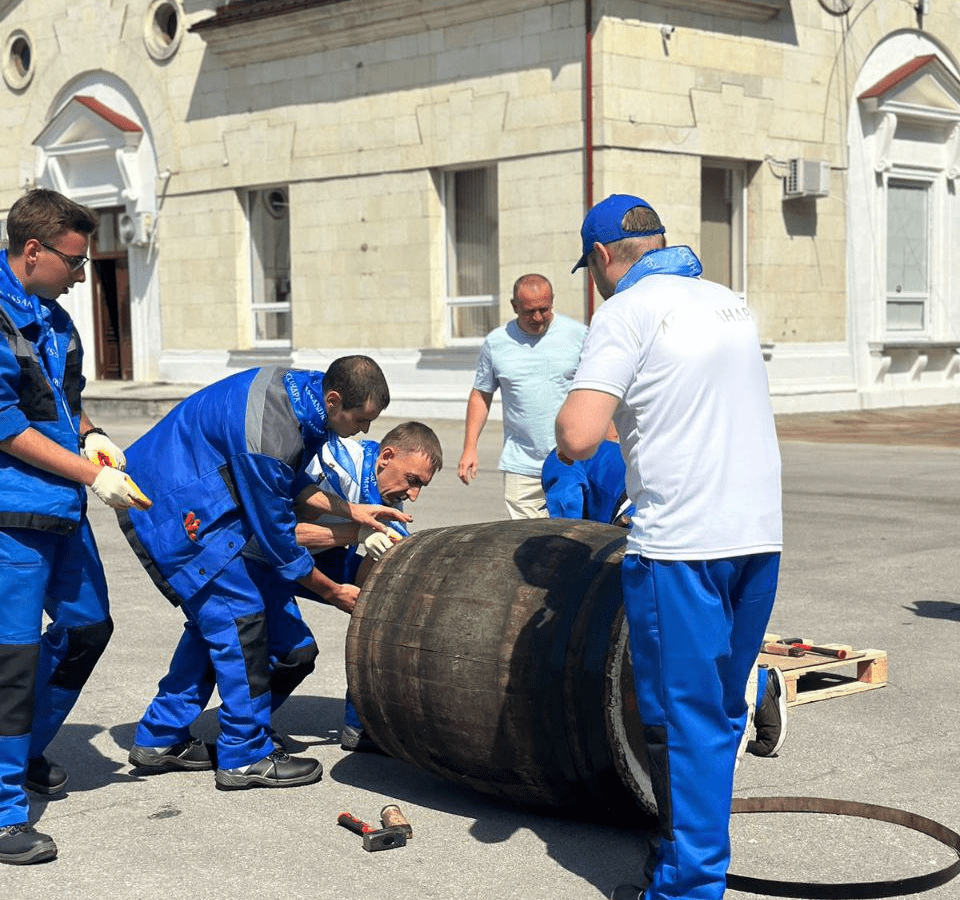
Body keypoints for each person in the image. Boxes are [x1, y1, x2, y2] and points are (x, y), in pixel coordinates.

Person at [555, 194, 782, 900]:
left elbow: (576, 436)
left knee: (681, 720)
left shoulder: (624, 309)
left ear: (601, 259)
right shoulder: (726, 301)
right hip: (758, 537)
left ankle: (686, 887)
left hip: (683, 545)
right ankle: (680, 848)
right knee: (716, 707)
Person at [120, 357, 410, 791]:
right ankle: (244, 754)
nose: (366, 431)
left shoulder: (305, 398)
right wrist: (333, 592)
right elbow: (278, 540)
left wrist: (353, 510)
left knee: (220, 627)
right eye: (362, 420)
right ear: (334, 400)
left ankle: (160, 738)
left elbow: (288, 479)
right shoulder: (271, 432)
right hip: (175, 504)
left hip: (195, 488)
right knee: (241, 619)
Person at [0, 189, 151, 865]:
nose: (84, 274)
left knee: (88, 626)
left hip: (64, 507)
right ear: (33, 251)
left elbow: (66, 406)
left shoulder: (58, 322)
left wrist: (95, 441)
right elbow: (5, 426)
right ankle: (4, 814)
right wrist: (93, 477)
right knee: (13, 664)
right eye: (75, 260)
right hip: (12, 517)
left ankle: (25, 752)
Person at [541, 442, 787, 761]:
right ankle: (758, 689)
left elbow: (568, 520)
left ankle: (754, 694)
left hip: (662, 526)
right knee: (697, 632)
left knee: (677, 637)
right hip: (713, 518)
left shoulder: (561, 459)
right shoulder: (612, 451)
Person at [293, 420, 442, 752]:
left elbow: (379, 574)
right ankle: (250, 736)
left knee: (387, 598)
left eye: (422, 487)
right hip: (264, 556)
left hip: (319, 552)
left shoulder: (388, 493)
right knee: (288, 650)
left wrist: (373, 597)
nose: (414, 495)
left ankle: (360, 725)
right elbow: (278, 537)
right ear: (386, 456)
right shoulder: (333, 465)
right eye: (413, 481)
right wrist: (356, 533)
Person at [457, 273, 587, 519]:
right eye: (529, 311)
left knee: (569, 539)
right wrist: (469, 448)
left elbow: (598, 392)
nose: (537, 318)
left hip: (570, 461)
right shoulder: (497, 343)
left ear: (552, 302)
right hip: (522, 465)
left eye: (544, 309)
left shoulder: (579, 335)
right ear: (514, 306)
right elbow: (481, 395)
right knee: (526, 544)